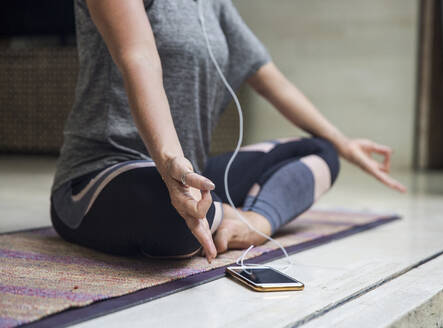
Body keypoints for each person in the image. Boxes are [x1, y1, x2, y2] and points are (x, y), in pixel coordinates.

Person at [50, 0, 406, 264]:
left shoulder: (213, 4)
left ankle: (252, 222)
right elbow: (138, 56)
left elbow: (270, 79)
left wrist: (344, 144)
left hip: (188, 178)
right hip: (101, 174)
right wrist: (172, 160)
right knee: (179, 222)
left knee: (321, 153)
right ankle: (220, 212)